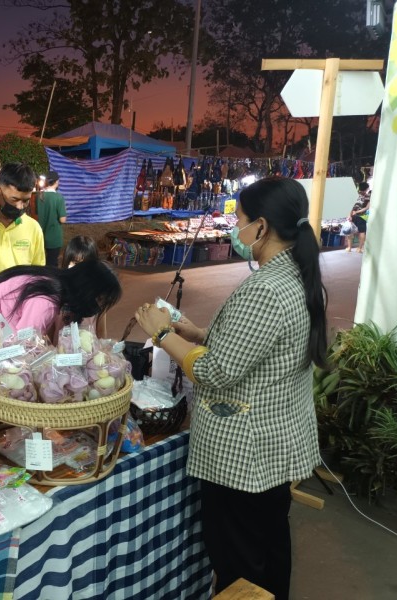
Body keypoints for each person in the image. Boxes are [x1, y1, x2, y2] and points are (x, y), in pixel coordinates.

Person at [134, 176, 327, 600]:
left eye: (238, 219)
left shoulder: (266, 288)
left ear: (261, 226)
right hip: (275, 444)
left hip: (246, 454)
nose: (234, 229)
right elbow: (260, 347)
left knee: (240, 563)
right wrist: (198, 333)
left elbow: (216, 371)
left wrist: (163, 334)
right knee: (269, 547)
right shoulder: (296, 275)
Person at [0, 260, 121, 406]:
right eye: (99, 299)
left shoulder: (48, 280)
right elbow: (22, 351)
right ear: (86, 289)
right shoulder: (45, 303)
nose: (97, 306)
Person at [62, 236, 106, 338]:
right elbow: (48, 334)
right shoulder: (57, 294)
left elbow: (102, 334)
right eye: (76, 263)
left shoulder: (98, 298)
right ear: (67, 262)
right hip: (59, 348)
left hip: (89, 348)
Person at [36, 171, 67, 267]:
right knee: (51, 264)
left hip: (41, 236)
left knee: (44, 261)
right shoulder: (58, 198)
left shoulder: (38, 196)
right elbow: (62, 219)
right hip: (54, 237)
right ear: (56, 182)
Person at [348, 181, 370, 253]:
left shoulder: (354, 195)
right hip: (362, 216)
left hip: (353, 215)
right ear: (366, 188)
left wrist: (350, 215)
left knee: (351, 231)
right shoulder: (368, 196)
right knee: (362, 232)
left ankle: (349, 248)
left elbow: (350, 206)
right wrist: (357, 212)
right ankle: (359, 249)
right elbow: (367, 208)